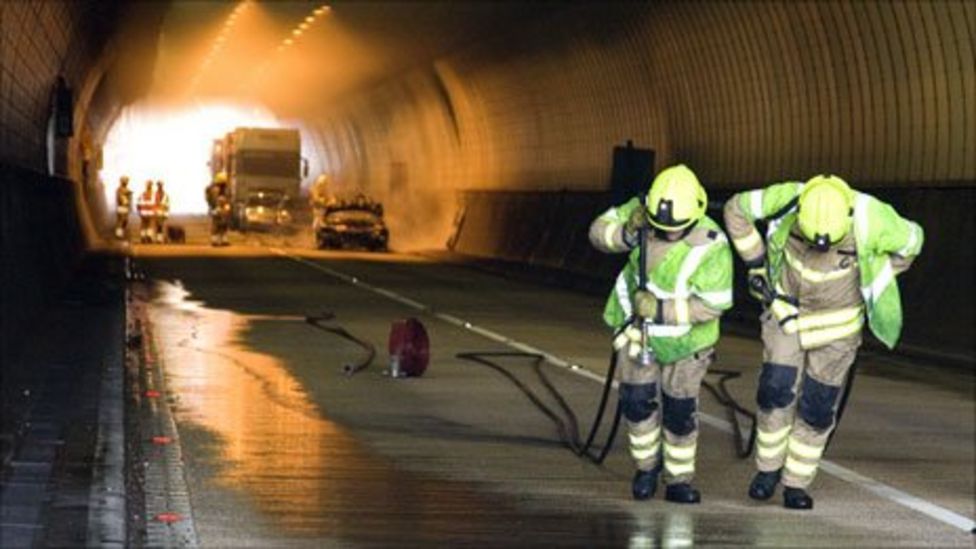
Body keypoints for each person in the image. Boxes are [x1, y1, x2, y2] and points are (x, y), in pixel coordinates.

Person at [723, 175, 923, 510]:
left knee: (817, 407)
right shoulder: (786, 198)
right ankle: (767, 471)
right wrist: (757, 263)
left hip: (837, 329)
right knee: (775, 391)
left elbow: (913, 240)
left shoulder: (872, 217)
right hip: (787, 315)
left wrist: (875, 274)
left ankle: (796, 484)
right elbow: (736, 209)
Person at [589, 164, 734, 504]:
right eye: (660, 228)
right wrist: (627, 230)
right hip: (638, 334)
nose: (667, 234)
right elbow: (597, 233)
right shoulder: (643, 211)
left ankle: (679, 481)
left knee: (679, 410)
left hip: (687, 343)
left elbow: (713, 305)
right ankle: (646, 469)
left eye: (676, 229)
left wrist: (658, 310)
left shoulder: (712, 246)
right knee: (637, 404)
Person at [206, 172, 231, 246]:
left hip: (222, 209)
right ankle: (216, 240)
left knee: (223, 224)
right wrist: (214, 208)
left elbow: (228, 198)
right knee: (217, 224)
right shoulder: (214, 190)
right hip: (217, 208)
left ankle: (223, 239)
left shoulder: (224, 189)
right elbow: (211, 200)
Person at [137, 179, 156, 243]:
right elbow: (138, 203)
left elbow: (156, 203)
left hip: (149, 211)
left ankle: (148, 237)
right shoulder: (143, 194)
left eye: (150, 185)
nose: (149, 186)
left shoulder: (153, 194)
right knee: (145, 224)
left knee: (148, 224)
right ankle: (144, 237)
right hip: (145, 211)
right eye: (149, 185)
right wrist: (139, 210)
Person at [114, 175, 132, 240]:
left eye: (126, 181)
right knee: (120, 220)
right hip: (120, 207)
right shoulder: (119, 190)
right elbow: (118, 198)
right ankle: (119, 234)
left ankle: (121, 232)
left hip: (126, 207)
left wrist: (130, 206)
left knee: (125, 221)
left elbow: (130, 199)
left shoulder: (128, 190)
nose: (126, 182)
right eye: (124, 181)